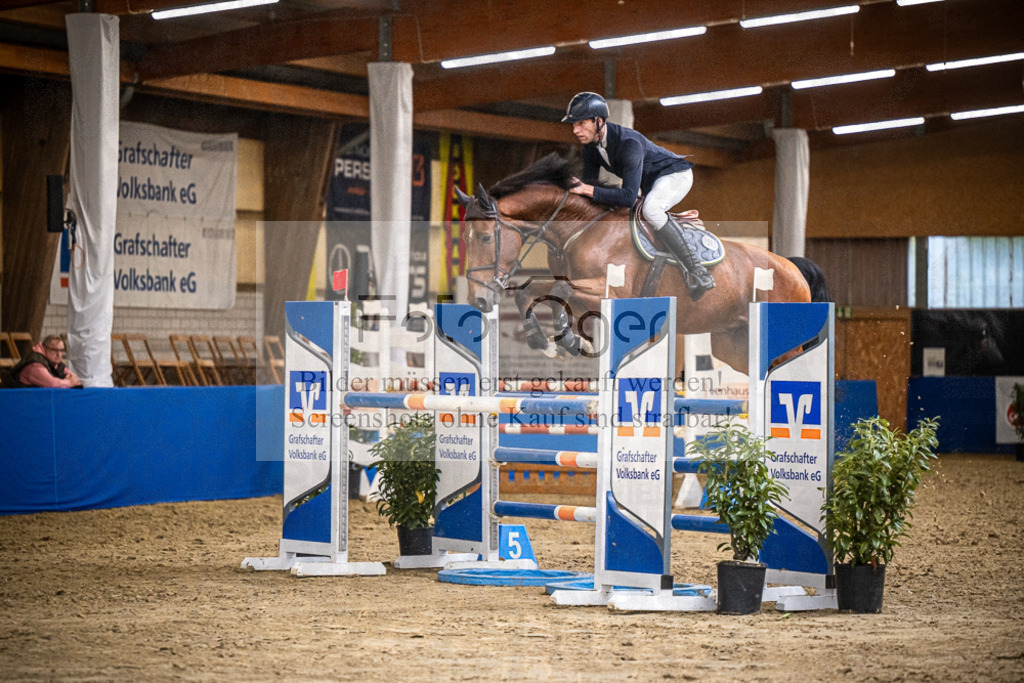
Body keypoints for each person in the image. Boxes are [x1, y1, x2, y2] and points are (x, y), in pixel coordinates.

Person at [562, 91, 715, 300]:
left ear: (598, 121)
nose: (575, 130)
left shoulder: (628, 143)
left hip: (675, 175)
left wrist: (586, 189)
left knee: (651, 209)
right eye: (573, 125)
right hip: (650, 182)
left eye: (580, 124)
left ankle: (699, 272)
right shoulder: (590, 146)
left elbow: (626, 196)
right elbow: (590, 185)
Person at [1, 335, 82, 388]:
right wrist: (69, 382)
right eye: (54, 350)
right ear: (44, 348)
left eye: (61, 351)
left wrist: (69, 379)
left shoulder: (54, 362)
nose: (59, 354)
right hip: (12, 400)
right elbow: (52, 384)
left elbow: (74, 378)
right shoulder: (35, 364)